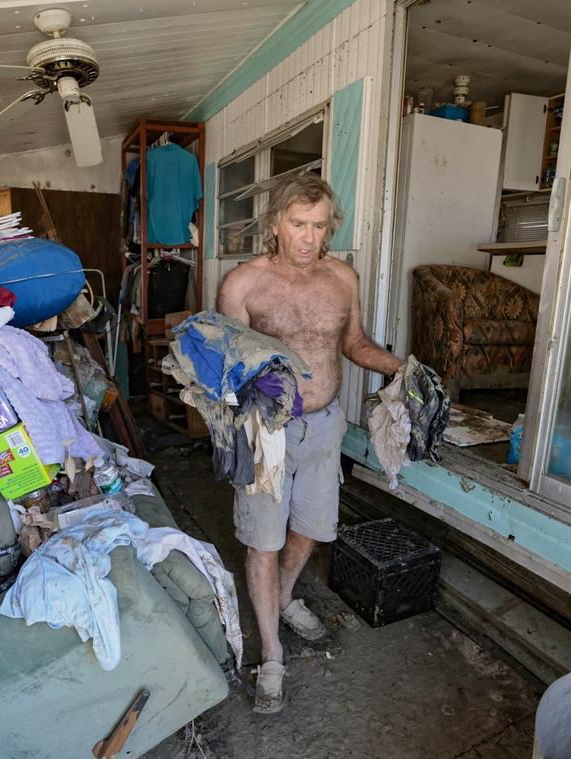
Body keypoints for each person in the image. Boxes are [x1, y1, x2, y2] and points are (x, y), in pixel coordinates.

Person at [216, 173, 403, 713]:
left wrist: (404, 369)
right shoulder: (243, 285)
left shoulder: (342, 278)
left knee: (311, 529)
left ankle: (284, 596)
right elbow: (227, 367)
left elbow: (356, 344)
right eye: (298, 224)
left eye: (319, 226)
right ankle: (271, 653)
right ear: (276, 223)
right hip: (263, 431)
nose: (308, 237)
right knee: (263, 541)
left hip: (324, 427)